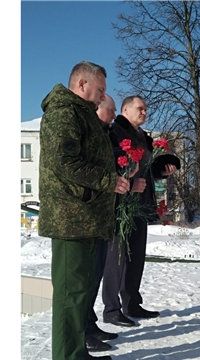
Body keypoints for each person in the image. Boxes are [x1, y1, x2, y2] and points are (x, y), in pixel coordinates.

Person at [39, 61, 131, 360]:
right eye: (100, 89)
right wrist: (107, 181)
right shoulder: (64, 113)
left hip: (85, 217)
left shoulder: (81, 114)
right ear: (82, 84)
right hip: (71, 219)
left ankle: (77, 353)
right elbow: (63, 162)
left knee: (79, 294)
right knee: (70, 295)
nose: (102, 95)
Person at [102, 95, 177, 327]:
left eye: (146, 109)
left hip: (141, 204)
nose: (144, 112)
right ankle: (112, 309)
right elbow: (112, 165)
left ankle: (131, 303)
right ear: (125, 109)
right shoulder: (114, 133)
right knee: (116, 258)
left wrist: (162, 171)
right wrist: (128, 185)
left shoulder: (143, 137)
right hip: (121, 204)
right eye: (140, 108)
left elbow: (145, 170)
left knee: (136, 258)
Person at [85, 94, 120, 353]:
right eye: (111, 110)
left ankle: (89, 323)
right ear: (99, 110)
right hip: (88, 215)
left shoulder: (106, 134)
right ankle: (83, 331)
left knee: (95, 275)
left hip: (101, 215)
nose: (114, 115)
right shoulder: (90, 133)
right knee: (87, 278)